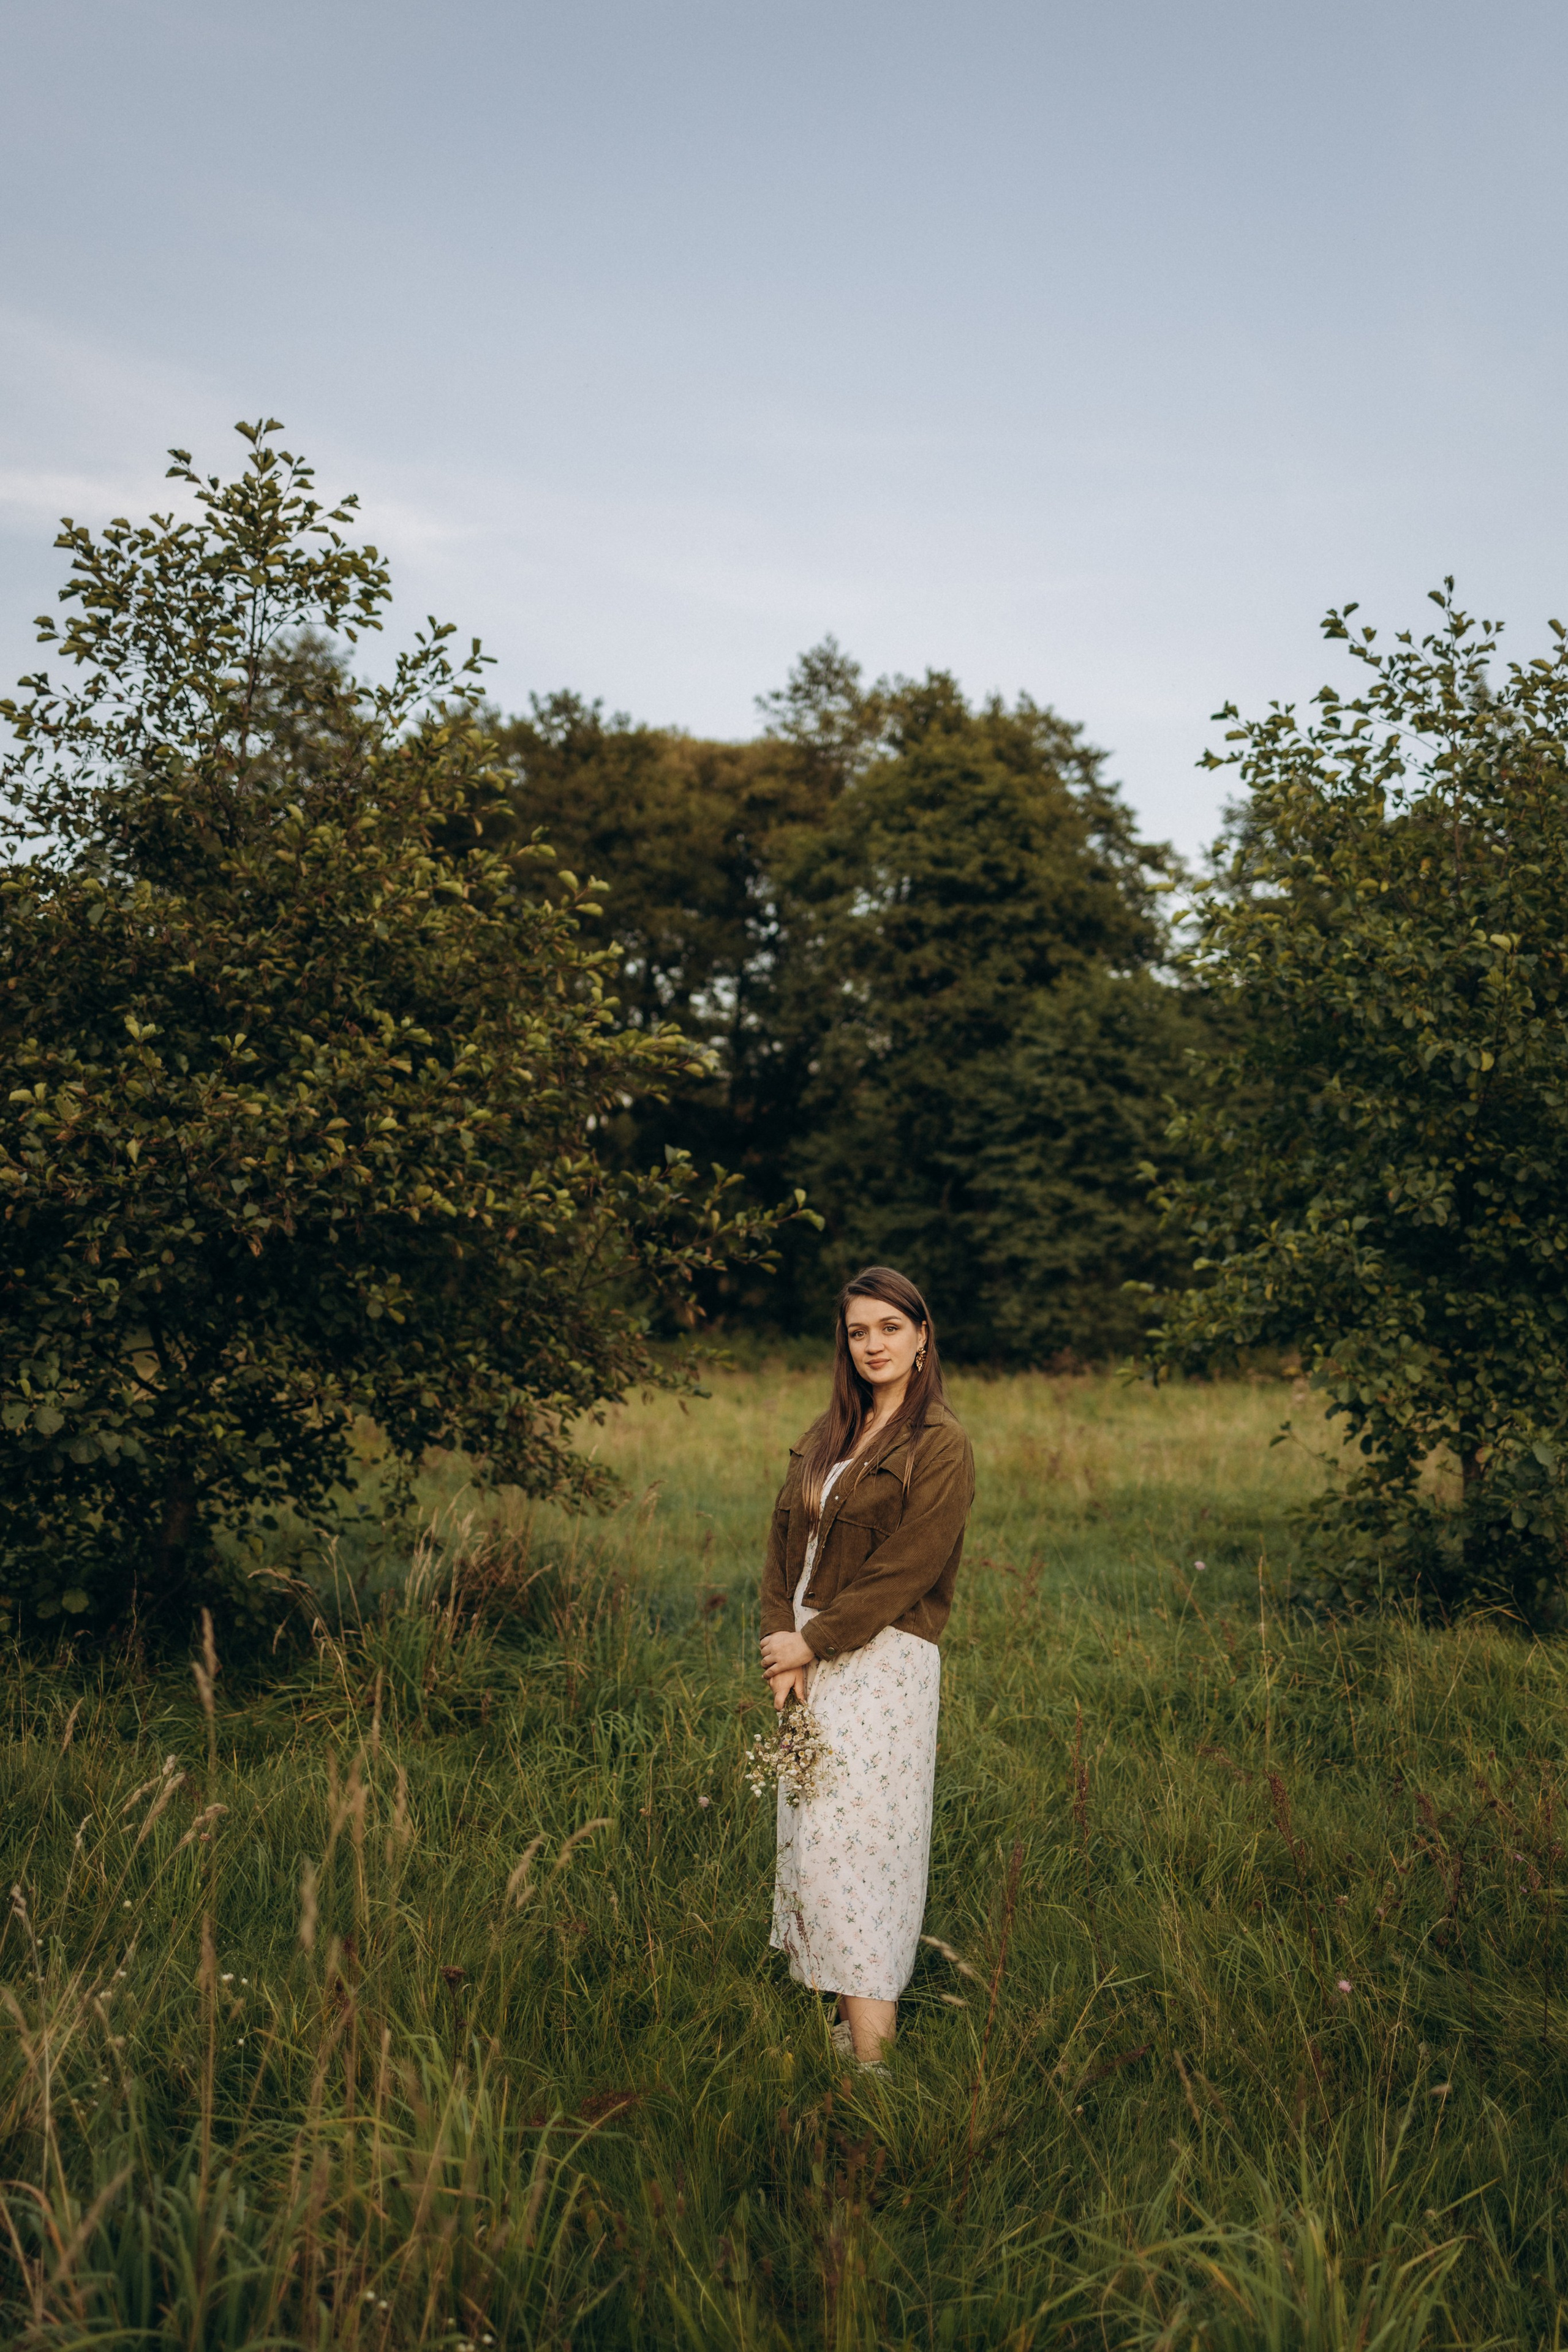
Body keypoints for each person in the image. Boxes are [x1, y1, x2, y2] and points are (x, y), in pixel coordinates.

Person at [759, 1266, 976, 2069]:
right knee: (814, 1846)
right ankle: (847, 2032)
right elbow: (782, 1547)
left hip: (882, 1659)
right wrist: (780, 1647)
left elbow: (910, 1565)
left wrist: (814, 1640)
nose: (873, 1344)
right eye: (858, 1332)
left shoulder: (940, 1443)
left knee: (863, 1849)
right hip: (805, 1656)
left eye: (890, 1328)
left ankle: (873, 2065)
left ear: (922, 1337)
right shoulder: (828, 1436)